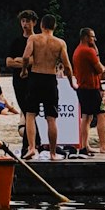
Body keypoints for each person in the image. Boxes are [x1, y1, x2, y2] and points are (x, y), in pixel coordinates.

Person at [21, 14, 74, 161]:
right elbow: (67, 66)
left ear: (41, 26)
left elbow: (26, 56)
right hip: (50, 79)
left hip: (35, 77)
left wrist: (24, 70)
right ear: (54, 26)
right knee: (51, 119)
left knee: (30, 115)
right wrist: (71, 83)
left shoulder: (34, 38)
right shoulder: (60, 43)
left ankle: (31, 147)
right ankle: (52, 153)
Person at [72, 26, 105, 156]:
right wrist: (103, 64)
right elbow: (100, 69)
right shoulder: (88, 51)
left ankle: (84, 145)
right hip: (91, 88)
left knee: (86, 117)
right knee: (101, 115)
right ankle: (103, 145)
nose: (94, 40)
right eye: (92, 37)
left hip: (83, 88)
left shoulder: (77, 50)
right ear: (86, 37)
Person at [6, 9, 38, 118]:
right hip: (18, 80)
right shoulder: (16, 41)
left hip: (33, 78)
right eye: (23, 21)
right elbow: (9, 62)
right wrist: (24, 62)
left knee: (32, 111)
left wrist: (19, 60)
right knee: (24, 109)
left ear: (34, 23)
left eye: (27, 21)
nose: (25, 24)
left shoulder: (37, 40)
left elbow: (35, 60)